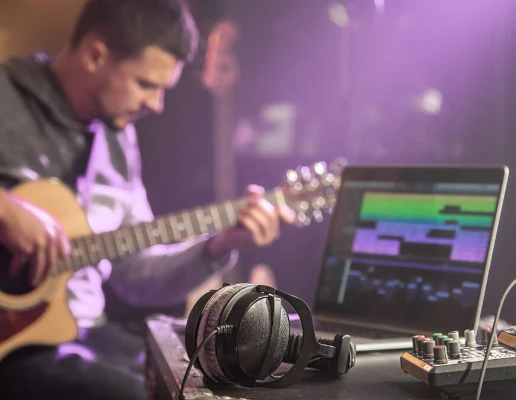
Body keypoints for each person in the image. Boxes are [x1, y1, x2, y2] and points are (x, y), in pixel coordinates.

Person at [0, 0, 295, 399]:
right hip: (15, 346)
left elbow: (136, 278)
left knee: (210, 386)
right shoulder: (6, 96)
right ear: (95, 54)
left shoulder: (119, 140)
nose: (155, 105)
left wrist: (216, 246)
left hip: (85, 331)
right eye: (145, 84)